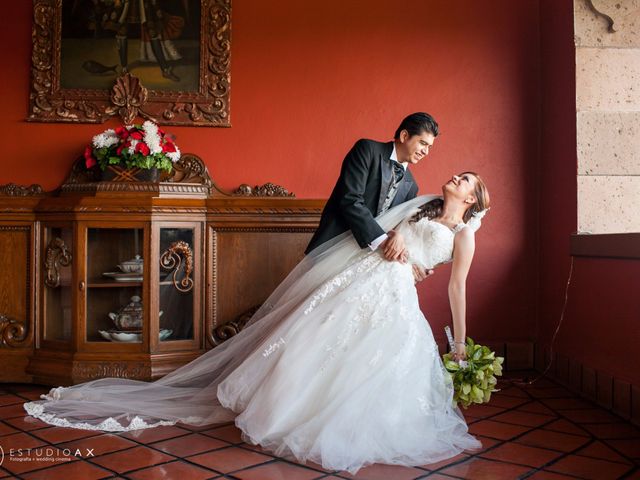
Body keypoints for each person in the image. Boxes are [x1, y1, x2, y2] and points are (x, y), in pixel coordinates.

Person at [24, 172, 490, 475]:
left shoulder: (463, 234)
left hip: (394, 298)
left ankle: (340, 423)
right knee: (313, 341)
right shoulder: (422, 206)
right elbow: (381, 232)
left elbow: (456, 286)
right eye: (458, 174)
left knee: (369, 362)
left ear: (472, 199)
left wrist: (461, 341)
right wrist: (393, 244)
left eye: (465, 179)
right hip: (361, 280)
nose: (455, 177)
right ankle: (288, 408)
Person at [305, 112, 439, 281]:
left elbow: (399, 227)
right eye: (423, 143)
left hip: (366, 262)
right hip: (332, 248)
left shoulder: (411, 186)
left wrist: (413, 261)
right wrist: (382, 241)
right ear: (404, 136)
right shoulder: (366, 149)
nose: (426, 152)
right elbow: (350, 200)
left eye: (429, 147)